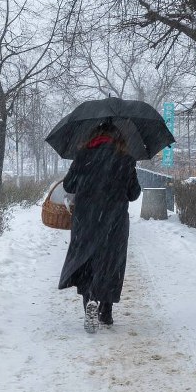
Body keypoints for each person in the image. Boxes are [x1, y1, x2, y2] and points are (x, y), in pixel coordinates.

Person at [58, 123, 141, 333]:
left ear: (94, 136)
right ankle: (106, 312)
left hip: (86, 220)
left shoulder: (83, 156)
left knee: (87, 262)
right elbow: (133, 194)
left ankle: (90, 302)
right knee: (109, 263)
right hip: (114, 222)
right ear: (119, 138)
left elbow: (68, 186)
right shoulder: (126, 159)